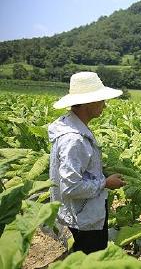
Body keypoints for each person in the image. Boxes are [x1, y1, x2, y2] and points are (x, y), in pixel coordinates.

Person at [48, 72, 126, 254]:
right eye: (101, 100)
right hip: (83, 219)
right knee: (90, 260)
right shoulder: (73, 139)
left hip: (81, 214)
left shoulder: (70, 125)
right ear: (86, 103)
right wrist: (106, 183)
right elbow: (71, 187)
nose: (105, 105)